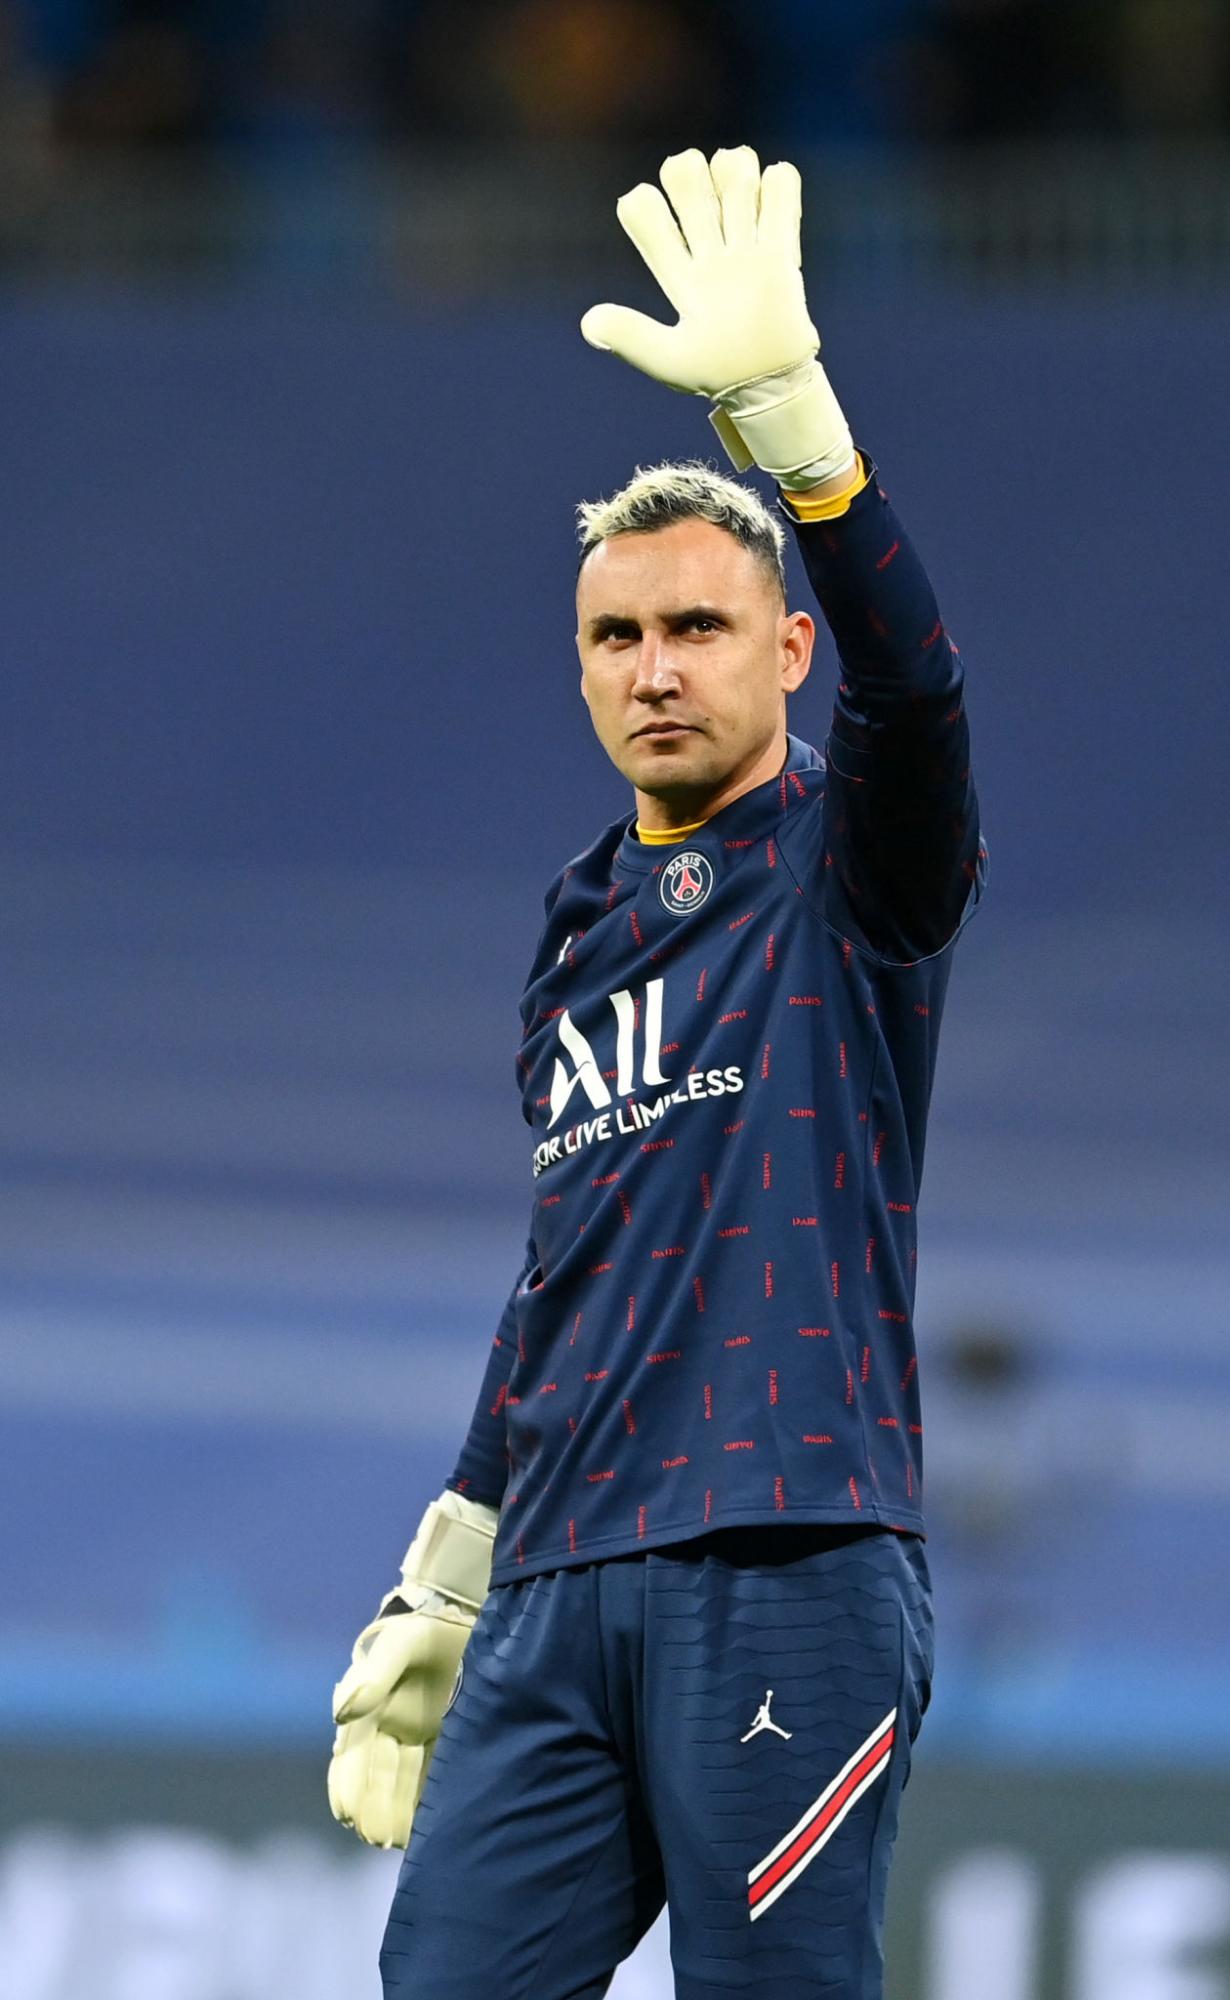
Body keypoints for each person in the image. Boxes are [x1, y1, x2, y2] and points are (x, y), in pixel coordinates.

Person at [328, 144, 987, 2000]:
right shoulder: (572, 931)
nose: (653, 669)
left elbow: (920, 695)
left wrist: (805, 441)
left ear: (785, 647)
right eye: (615, 635)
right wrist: (454, 1563)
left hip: (780, 1556)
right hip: (555, 1587)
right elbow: (564, 1269)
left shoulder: (853, 867)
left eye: (697, 628)